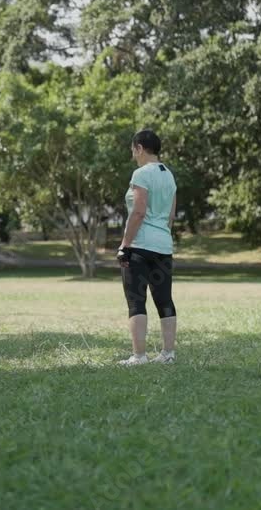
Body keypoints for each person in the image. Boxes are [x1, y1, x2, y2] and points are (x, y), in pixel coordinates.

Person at [116, 129, 178, 365]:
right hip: (163, 245)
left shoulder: (141, 174)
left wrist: (125, 245)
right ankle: (168, 354)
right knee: (164, 299)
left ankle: (139, 356)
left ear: (140, 148)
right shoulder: (169, 175)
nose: (133, 155)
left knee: (136, 300)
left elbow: (138, 212)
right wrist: (161, 237)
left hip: (140, 246)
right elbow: (171, 215)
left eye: (133, 150)